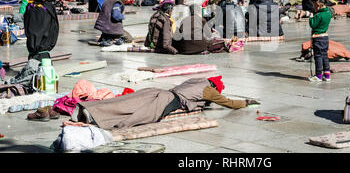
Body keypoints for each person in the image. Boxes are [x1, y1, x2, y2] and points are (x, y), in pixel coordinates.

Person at [72, 76, 259, 129]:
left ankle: (89, 109)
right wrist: (246, 102)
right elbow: (229, 103)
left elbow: (190, 94)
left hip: (159, 91)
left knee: (126, 101)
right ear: (215, 87)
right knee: (145, 115)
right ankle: (104, 122)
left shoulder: (197, 81)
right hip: (169, 100)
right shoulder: (209, 91)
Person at [308, 0, 333, 83]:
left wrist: (311, 17)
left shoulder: (319, 15)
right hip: (325, 37)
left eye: (314, 5)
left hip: (318, 38)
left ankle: (318, 75)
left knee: (318, 56)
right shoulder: (328, 13)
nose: (313, 7)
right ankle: (327, 75)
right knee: (325, 56)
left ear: (318, 5)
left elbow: (313, 24)